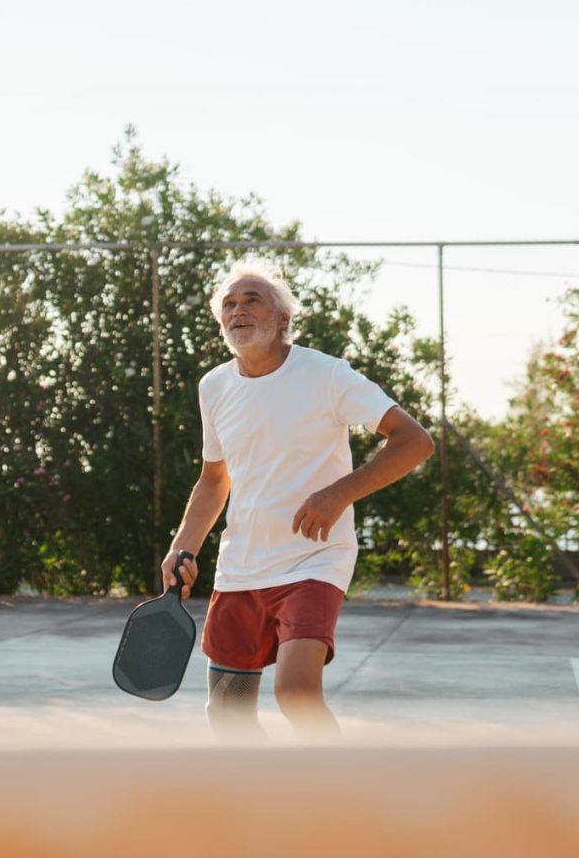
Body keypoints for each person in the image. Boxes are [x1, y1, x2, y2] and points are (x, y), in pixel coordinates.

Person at [161, 257, 434, 738]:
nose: (238, 309)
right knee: (227, 711)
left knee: (297, 693)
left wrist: (338, 494)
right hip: (241, 565)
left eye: (252, 300)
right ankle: (264, 804)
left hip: (314, 560)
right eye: (229, 303)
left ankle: (338, 797)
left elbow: (414, 441)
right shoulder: (214, 386)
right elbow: (212, 480)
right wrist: (183, 546)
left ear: (282, 318)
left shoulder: (327, 375)